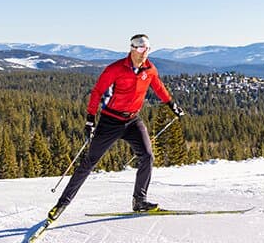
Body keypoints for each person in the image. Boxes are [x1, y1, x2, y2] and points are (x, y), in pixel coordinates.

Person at [47, 33, 185, 224]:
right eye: (141, 48)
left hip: (132, 121)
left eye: (147, 48)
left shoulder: (150, 69)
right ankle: (62, 204)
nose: (144, 52)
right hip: (110, 121)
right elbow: (97, 92)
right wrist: (90, 119)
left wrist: (171, 105)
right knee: (89, 162)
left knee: (147, 156)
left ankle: (140, 201)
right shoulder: (116, 69)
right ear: (132, 48)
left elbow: (158, 87)